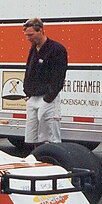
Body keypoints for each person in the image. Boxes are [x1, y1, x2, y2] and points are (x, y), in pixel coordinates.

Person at [22, 17, 68, 149]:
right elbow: (29, 70)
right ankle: (33, 159)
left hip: (46, 97)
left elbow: (59, 76)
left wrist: (49, 97)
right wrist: (27, 91)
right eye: (26, 35)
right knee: (31, 135)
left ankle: (52, 158)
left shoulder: (56, 49)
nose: (28, 38)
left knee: (49, 134)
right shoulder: (33, 48)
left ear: (41, 31)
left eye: (31, 35)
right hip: (33, 96)